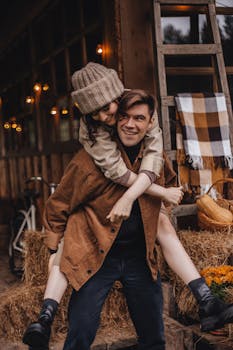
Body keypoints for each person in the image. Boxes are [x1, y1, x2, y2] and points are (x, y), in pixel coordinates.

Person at [23, 64, 233, 349]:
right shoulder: (89, 160)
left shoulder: (154, 156)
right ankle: (45, 319)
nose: (124, 122)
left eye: (138, 119)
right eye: (122, 117)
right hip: (97, 258)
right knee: (79, 336)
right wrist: (52, 249)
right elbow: (57, 205)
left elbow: (169, 187)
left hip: (139, 258)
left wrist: (157, 213)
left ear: (148, 123)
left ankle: (206, 300)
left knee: (153, 337)